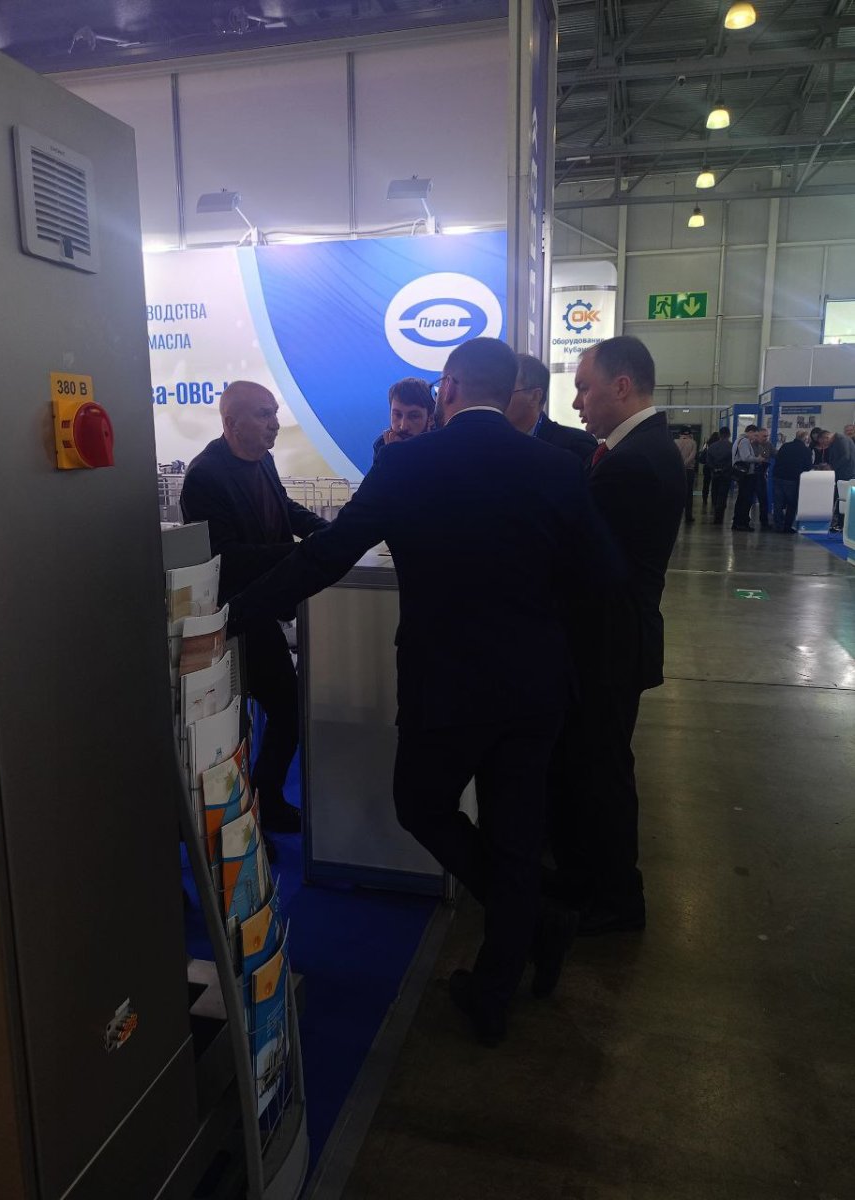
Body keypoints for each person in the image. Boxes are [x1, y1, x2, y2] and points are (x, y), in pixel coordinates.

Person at [228, 338, 620, 1045]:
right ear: (508, 390)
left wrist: (233, 615)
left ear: (450, 388)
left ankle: (533, 929)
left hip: (445, 684)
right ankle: (499, 984)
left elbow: (327, 555)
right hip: (533, 686)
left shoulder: (407, 463)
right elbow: (602, 580)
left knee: (422, 805)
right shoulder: (559, 467)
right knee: (515, 835)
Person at [551, 335, 685, 935]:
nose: (577, 403)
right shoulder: (638, 449)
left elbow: (585, 561)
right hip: (614, 639)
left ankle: (615, 900)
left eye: (585, 388)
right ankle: (591, 881)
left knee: (600, 773)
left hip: (606, 643)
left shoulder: (633, 463)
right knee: (594, 766)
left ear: (621, 386)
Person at [180, 381, 329, 833]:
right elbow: (225, 558)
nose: (275, 424)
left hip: (263, 608)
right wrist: (300, 553)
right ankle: (242, 823)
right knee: (247, 724)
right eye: (264, 414)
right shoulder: (205, 477)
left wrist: (327, 532)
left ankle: (264, 802)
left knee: (286, 710)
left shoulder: (261, 458)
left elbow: (282, 508)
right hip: (234, 619)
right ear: (232, 423)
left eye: (275, 413)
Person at [505, 352, 597, 461]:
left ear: (535, 397)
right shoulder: (493, 441)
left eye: (505, 392)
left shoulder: (575, 447)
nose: (497, 399)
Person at [371, 377, 434, 464]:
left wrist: (397, 456)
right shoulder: (382, 445)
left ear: (431, 419)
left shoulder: (442, 448)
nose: (403, 426)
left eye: (414, 416)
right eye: (397, 415)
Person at [772, 430, 813, 533]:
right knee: (792, 504)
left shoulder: (785, 446)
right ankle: (787, 526)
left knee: (778, 503)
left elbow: (777, 458)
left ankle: (778, 525)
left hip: (778, 477)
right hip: (793, 479)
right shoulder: (806, 450)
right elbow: (808, 467)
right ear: (805, 438)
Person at [815, 428, 855, 530]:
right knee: (841, 500)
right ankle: (840, 524)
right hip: (844, 474)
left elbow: (846, 457)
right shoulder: (838, 441)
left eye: (823, 443)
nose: (823, 446)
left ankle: (840, 524)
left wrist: (832, 467)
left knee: (842, 500)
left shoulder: (841, 440)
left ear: (826, 437)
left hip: (846, 475)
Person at [731, 425, 761, 532]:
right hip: (747, 475)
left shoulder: (738, 440)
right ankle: (742, 523)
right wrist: (758, 459)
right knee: (745, 500)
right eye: (755, 435)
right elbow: (745, 457)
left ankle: (738, 522)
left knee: (741, 498)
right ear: (750, 432)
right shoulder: (744, 441)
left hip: (743, 475)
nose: (755, 437)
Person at [706, 427, 733, 524]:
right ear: (729, 435)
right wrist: (724, 469)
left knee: (715, 493)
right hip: (726, 475)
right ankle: (719, 517)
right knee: (723, 495)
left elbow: (708, 461)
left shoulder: (712, 446)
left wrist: (714, 469)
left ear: (719, 435)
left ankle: (715, 510)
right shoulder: (732, 446)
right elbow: (732, 462)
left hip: (715, 474)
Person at [752, 428, 774, 529]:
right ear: (758, 436)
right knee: (747, 499)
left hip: (761, 474)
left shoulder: (768, 445)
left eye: (767, 436)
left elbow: (776, 454)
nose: (766, 438)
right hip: (751, 474)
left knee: (763, 499)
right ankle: (743, 520)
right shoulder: (751, 445)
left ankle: (764, 522)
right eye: (764, 436)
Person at [676, 427, 698, 524]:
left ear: (680, 433)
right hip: (689, 471)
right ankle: (688, 516)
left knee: (677, 493)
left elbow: (673, 455)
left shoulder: (675, 442)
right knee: (689, 494)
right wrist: (684, 465)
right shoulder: (693, 442)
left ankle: (676, 515)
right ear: (690, 434)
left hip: (677, 470)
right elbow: (692, 456)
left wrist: (679, 466)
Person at [700, 431, 720, 508]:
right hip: (715, 466)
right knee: (715, 484)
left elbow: (702, 453)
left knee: (706, 483)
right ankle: (714, 500)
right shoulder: (718, 445)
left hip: (707, 466)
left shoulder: (707, 444)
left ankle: (704, 499)